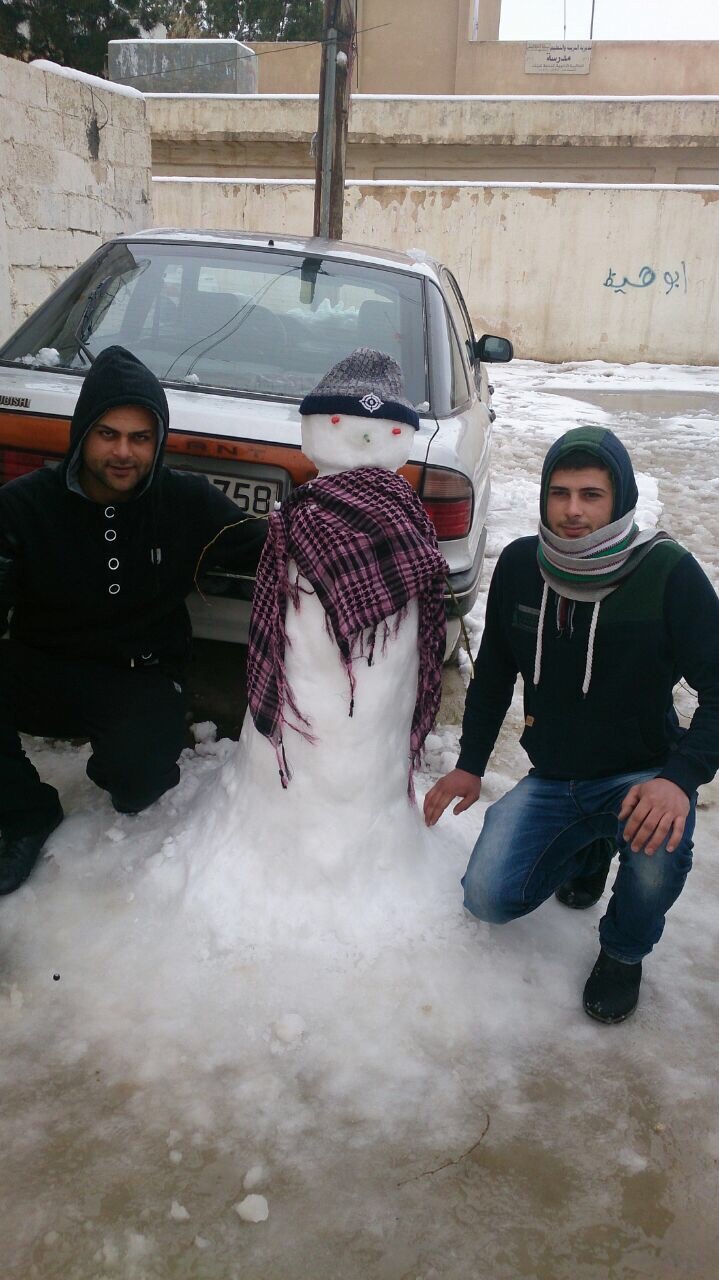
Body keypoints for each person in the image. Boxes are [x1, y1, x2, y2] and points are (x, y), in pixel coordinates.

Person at [424, 425, 719, 1024]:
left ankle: (624, 952)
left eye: (591, 495)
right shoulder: (521, 566)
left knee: (659, 854)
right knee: (487, 898)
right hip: (555, 776)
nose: (573, 510)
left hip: (642, 775)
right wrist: (470, 765)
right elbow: (494, 675)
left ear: (619, 499)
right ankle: (591, 849)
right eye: (559, 493)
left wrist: (679, 778)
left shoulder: (667, 572)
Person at [0, 345, 265, 895]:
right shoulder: (24, 505)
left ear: (158, 441)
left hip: (139, 673)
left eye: (140, 438)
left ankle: (126, 753)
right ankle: (27, 814)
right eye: (108, 434)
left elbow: (263, 546)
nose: (123, 452)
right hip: (41, 668)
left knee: (138, 784)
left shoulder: (186, 501)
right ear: (82, 434)